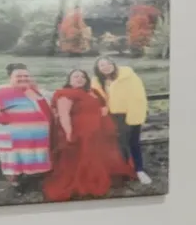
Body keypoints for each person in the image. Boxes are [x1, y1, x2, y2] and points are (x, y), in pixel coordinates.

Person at [42, 69, 131, 202]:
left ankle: (98, 176)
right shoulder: (65, 94)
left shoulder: (92, 92)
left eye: (82, 76)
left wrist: (103, 110)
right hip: (80, 132)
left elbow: (102, 106)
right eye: (75, 76)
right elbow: (63, 115)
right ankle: (85, 182)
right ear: (69, 79)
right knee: (83, 157)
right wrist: (68, 133)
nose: (79, 78)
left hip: (97, 130)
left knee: (96, 156)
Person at [0, 64, 51, 186]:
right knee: (12, 163)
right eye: (19, 76)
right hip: (12, 136)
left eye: (26, 76)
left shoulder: (39, 91)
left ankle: (34, 184)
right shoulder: (0, 90)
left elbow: (53, 102)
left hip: (38, 137)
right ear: (10, 77)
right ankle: (15, 186)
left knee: (36, 161)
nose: (23, 78)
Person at [93, 55, 152, 186]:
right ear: (98, 69)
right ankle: (122, 170)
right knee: (116, 144)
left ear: (113, 64)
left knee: (133, 143)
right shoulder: (97, 82)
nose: (106, 67)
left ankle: (139, 170)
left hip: (129, 114)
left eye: (108, 63)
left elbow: (138, 96)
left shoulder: (128, 76)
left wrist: (134, 116)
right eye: (102, 65)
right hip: (110, 117)